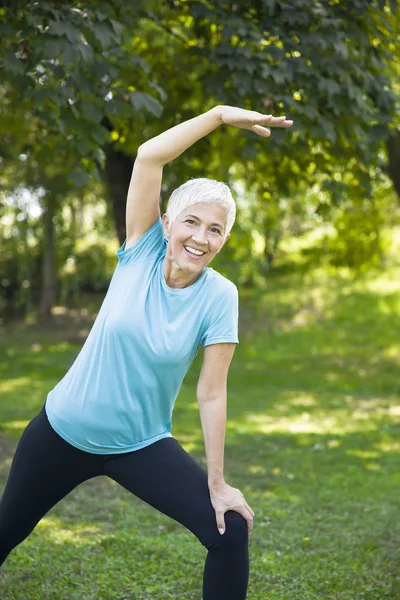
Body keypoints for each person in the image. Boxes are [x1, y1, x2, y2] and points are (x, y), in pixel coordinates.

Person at [0, 106, 293, 599]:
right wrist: (220, 117)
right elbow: (149, 156)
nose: (200, 238)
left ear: (224, 239)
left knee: (230, 531)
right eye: (191, 222)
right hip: (62, 431)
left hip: (140, 444)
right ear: (166, 221)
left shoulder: (221, 297)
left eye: (215, 230)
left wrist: (218, 483)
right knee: (6, 532)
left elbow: (212, 392)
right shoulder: (141, 249)